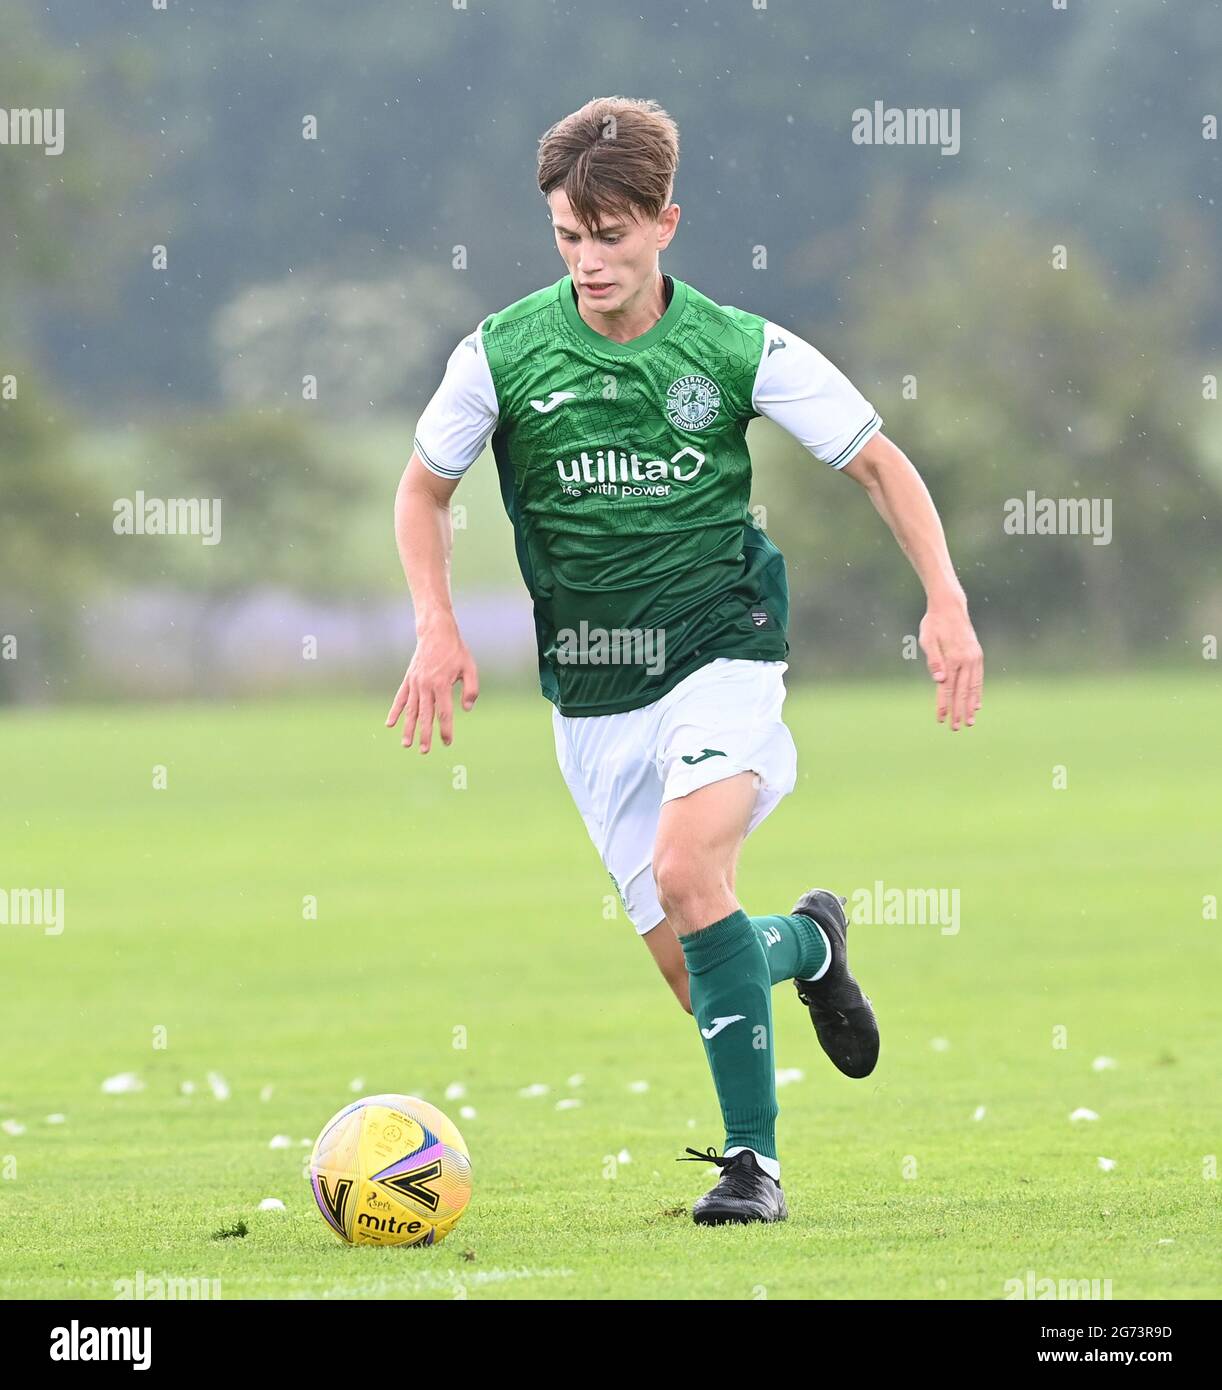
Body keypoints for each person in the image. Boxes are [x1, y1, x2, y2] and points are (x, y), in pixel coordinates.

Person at [387, 96, 983, 1225]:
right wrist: (435, 620)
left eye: (611, 235)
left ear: (666, 221)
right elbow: (423, 491)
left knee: (685, 873)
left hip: (724, 647)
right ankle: (810, 945)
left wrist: (943, 598)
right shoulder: (501, 353)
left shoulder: (734, 345)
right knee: (694, 961)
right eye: (569, 235)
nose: (589, 259)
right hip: (592, 693)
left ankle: (750, 1167)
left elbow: (877, 462)